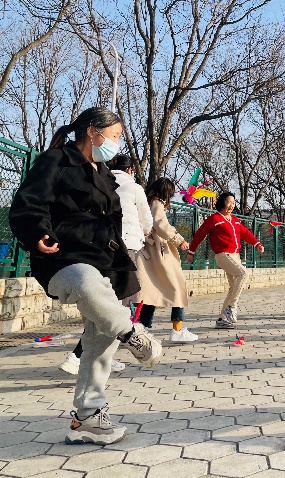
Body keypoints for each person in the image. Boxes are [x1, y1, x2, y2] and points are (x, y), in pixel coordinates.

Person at [9, 107, 162, 445]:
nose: (117, 142)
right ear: (93, 132)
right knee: (87, 283)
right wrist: (37, 233)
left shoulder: (105, 173)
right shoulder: (56, 161)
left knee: (100, 338)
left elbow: (112, 221)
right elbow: (26, 204)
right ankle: (133, 333)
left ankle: (88, 417)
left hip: (105, 258)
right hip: (61, 256)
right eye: (114, 135)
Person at [58, 154, 154, 375]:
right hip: (125, 246)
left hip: (97, 245)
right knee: (114, 305)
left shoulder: (98, 180)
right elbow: (147, 221)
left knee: (102, 301)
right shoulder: (133, 187)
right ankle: (78, 357)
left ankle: (104, 358)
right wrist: (145, 231)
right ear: (130, 170)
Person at [128, 178, 198, 343]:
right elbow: (161, 225)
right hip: (159, 253)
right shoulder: (157, 204)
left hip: (147, 252)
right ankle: (177, 329)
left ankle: (142, 329)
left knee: (150, 292)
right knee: (177, 288)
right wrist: (179, 240)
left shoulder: (145, 202)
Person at [187, 192, 265, 329]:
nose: (231, 205)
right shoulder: (214, 219)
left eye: (233, 203)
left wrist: (257, 243)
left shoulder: (235, 220)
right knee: (243, 274)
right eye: (229, 202)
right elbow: (199, 234)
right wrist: (191, 251)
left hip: (235, 256)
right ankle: (232, 307)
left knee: (233, 286)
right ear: (222, 202)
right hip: (223, 255)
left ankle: (223, 319)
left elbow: (245, 233)